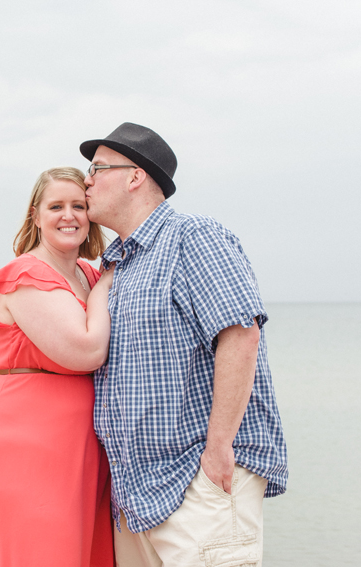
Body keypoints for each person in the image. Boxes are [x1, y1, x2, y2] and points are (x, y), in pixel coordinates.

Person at [79, 122, 288, 567]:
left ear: (135, 176)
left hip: (197, 482)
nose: (86, 181)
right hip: (135, 498)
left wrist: (218, 449)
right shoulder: (116, 266)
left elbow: (241, 334)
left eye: (97, 168)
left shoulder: (193, 237)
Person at [0, 167, 116, 567]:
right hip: (26, 443)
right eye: (56, 206)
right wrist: (109, 282)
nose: (68, 215)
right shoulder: (27, 275)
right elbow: (86, 350)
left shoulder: (87, 274)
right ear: (36, 216)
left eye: (78, 205)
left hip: (80, 446)